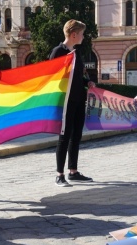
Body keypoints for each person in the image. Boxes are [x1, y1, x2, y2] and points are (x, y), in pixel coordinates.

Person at [49, 19, 95, 186]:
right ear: (74, 34)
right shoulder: (58, 52)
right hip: (65, 102)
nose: (83, 37)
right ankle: (59, 174)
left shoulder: (76, 53)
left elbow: (81, 75)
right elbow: (51, 76)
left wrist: (87, 82)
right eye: (82, 34)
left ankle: (73, 171)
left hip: (79, 100)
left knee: (76, 136)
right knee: (64, 136)